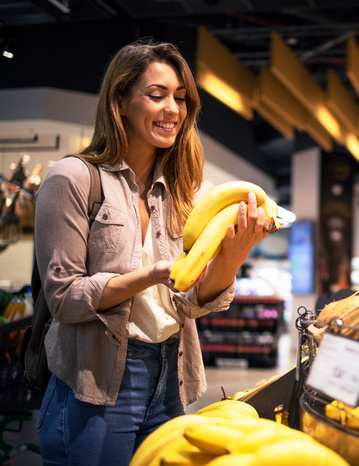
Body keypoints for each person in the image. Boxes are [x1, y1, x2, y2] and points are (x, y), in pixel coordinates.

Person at [34, 38, 270, 465]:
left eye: (180, 99)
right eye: (156, 95)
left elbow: (189, 303)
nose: (173, 110)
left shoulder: (182, 193)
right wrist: (150, 275)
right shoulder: (72, 179)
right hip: (98, 384)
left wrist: (233, 257)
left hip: (170, 377)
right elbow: (65, 298)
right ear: (120, 100)